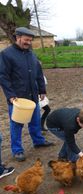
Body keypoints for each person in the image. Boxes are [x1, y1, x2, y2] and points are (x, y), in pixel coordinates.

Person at [0, 27, 53, 162]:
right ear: (18, 37)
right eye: (26, 39)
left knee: (35, 120)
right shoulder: (6, 54)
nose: (28, 42)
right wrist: (10, 95)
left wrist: (42, 90)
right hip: (17, 98)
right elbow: (3, 76)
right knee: (17, 124)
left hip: (33, 95)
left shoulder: (31, 54)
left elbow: (39, 73)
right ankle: (17, 150)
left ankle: (38, 141)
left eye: (30, 40)